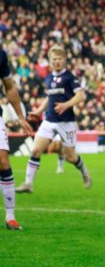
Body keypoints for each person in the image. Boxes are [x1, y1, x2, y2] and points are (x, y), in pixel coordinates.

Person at [16, 45, 92, 194]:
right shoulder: (49, 77)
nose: (57, 62)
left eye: (60, 59)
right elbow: (49, 97)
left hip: (66, 122)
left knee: (70, 157)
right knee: (36, 150)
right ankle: (28, 184)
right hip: (49, 120)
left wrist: (66, 104)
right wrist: (38, 111)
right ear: (50, 62)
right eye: (54, 59)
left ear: (64, 60)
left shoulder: (69, 77)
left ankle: (84, 171)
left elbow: (81, 95)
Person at [0, 48, 33, 230]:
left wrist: (20, 116)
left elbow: (10, 86)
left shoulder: (0, 54)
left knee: (3, 161)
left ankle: (10, 216)